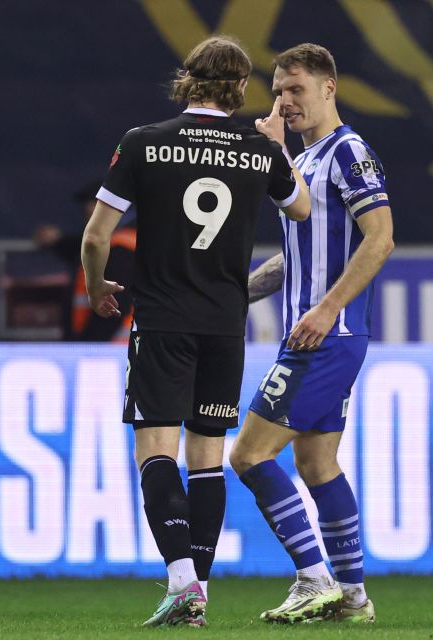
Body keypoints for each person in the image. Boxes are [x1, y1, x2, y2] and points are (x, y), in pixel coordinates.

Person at [80, 35, 310, 627]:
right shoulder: (260, 149)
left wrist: (98, 285)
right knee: (206, 456)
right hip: (223, 324)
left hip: (161, 320)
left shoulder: (143, 142)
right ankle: (197, 592)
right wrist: (277, 148)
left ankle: (182, 582)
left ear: (187, 79)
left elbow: (96, 235)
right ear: (241, 87)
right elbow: (303, 208)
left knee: (155, 449)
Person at [228, 43, 394, 624]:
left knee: (248, 456)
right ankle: (352, 597)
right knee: (318, 465)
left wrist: (325, 310)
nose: (284, 101)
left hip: (325, 335)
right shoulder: (306, 161)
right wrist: (235, 292)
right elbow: (297, 258)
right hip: (318, 332)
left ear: (330, 87)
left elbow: (380, 238)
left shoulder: (348, 152)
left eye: (296, 89)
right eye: (277, 90)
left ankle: (312, 578)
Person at [34, 180, 136, 342]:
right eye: (89, 203)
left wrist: (87, 347)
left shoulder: (121, 249)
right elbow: (82, 248)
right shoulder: (106, 244)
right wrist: (58, 241)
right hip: (100, 350)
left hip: (110, 353)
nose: (89, 208)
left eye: (97, 202)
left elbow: (113, 310)